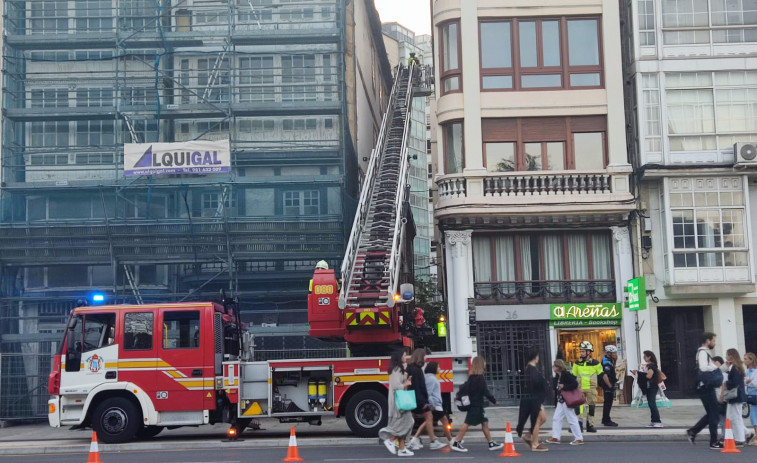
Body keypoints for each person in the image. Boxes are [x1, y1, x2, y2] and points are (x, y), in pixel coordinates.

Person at [450, 357, 503, 452]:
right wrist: (494, 401)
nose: (485, 363)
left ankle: (491, 443)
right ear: (481, 365)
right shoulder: (480, 378)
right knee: (467, 424)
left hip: (476, 405)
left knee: (485, 423)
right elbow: (486, 392)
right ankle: (456, 442)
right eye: (484, 362)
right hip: (476, 406)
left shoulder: (472, 377)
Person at [686, 332, 722, 449]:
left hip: (705, 387)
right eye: (713, 340)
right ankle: (713, 442)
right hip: (706, 387)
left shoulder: (704, 353)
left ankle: (693, 432)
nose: (714, 343)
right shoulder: (702, 352)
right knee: (714, 414)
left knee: (712, 414)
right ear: (707, 341)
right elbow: (703, 367)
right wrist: (715, 367)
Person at [406, 349, 446, 450]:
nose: (426, 358)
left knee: (424, 418)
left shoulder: (412, 369)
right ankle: (432, 441)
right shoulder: (417, 370)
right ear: (420, 357)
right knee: (429, 417)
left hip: (416, 398)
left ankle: (415, 440)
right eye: (424, 356)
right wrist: (423, 402)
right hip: (420, 400)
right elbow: (417, 387)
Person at [379, 350, 415, 456]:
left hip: (399, 401)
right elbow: (396, 387)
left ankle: (402, 449)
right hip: (399, 402)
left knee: (404, 423)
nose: (406, 357)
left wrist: (406, 381)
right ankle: (391, 440)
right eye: (404, 355)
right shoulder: (397, 370)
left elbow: (398, 384)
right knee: (408, 422)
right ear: (399, 357)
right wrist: (406, 383)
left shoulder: (398, 369)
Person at [410, 361, 453, 445]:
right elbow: (428, 393)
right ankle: (451, 441)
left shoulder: (430, 377)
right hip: (435, 405)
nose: (440, 369)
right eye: (438, 367)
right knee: (444, 421)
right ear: (434, 368)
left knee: (428, 421)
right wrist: (432, 404)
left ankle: (415, 439)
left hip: (435, 404)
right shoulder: (431, 378)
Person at [516, 349, 548, 451]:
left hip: (534, 398)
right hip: (535, 399)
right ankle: (535, 443)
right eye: (537, 356)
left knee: (542, 419)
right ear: (535, 357)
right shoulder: (531, 369)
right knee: (538, 419)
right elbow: (534, 385)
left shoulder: (530, 369)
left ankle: (528, 436)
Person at [546, 359, 584, 445]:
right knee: (556, 418)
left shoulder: (566, 375)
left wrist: (564, 386)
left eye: (554, 366)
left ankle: (579, 438)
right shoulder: (557, 376)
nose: (553, 367)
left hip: (567, 400)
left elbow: (575, 384)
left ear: (559, 367)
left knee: (571, 418)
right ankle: (556, 437)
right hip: (561, 400)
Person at [572, 341, 603, 433]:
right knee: (579, 408)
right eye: (580, 351)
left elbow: (601, 375)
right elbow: (573, 376)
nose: (581, 353)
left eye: (583, 351)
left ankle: (590, 425)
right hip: (579, 388)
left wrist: (605, 386)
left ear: (589, 352)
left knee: (591, 407)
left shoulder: (596, 363)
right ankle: (579, 425)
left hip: (591, 389)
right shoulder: (577, 363)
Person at [721, 348, 747, 446]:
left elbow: (734, 382)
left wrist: (726, 383)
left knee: (736, 417)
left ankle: (740, 439)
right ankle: (742, 435)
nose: (725, 356)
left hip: (736, 396)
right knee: (731, 417)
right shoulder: (735, 367)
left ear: (731, 355)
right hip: (736, 396)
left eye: (727, 354)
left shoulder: (734, 367)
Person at [635, 350, 663, 428]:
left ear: (649, 357)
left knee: (652, 403)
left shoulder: (650, 366)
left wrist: (640, 374)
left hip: (651, 386)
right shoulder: (652, 365)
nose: (644, 358)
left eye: (645, 356)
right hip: (652, 386)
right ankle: (653, 421)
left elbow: (649, 376)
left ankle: (657, 421)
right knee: (651, 403)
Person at [600, 345, 619, 427]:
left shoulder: (610, 361)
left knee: (608, 403)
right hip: (607, 385)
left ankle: (606, 419)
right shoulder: (606, 363)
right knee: (607, 403)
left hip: (609, 384)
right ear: (609, 353)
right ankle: (606, 420)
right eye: (614, 352)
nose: (615, 354)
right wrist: (610, 386)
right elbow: (605, 376)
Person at [744, 352, 757, 445]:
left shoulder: (755, 371)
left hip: (755, 394)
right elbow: (745, 382)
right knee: (753, 416)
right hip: (750, 394)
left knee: (754, 416)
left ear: (751, 360)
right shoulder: (747, 371)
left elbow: (755, 383)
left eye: (746, 359)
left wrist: (748, 382)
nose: (744, 361)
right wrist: (748, 382)